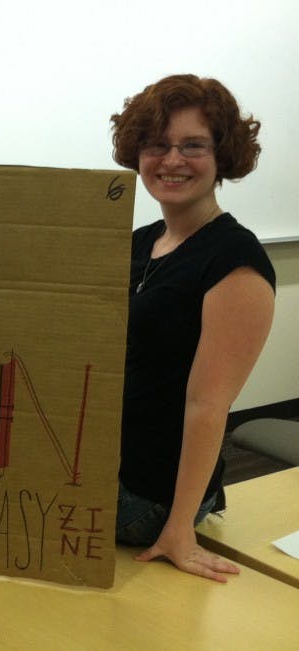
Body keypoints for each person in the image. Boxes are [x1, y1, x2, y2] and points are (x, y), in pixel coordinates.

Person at [110, 74, 275, 583]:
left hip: (149, 496)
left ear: (223, 155)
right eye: (157, 145)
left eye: (193, 145)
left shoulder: (236, 261)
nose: (172, 160)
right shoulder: (141, 241)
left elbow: (208, 406)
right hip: (103, 463)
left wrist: (179, 528)